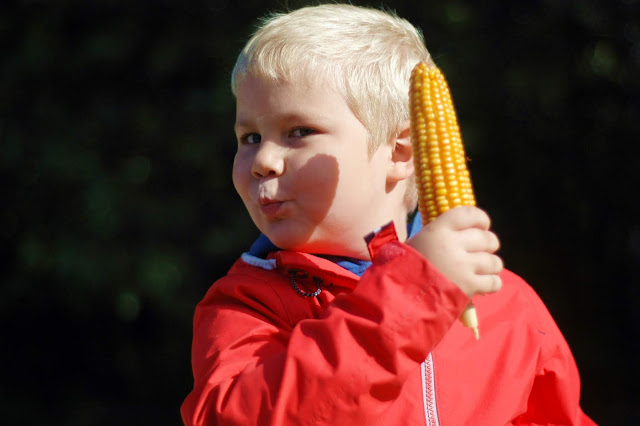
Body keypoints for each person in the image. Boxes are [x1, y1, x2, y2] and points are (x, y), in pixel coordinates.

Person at [181, 4, 596, 425]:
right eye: (249, 136)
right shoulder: (247, 304)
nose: (263, 160)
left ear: (400, 152)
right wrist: (412, 291)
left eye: (299, 132)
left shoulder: (506, 304)